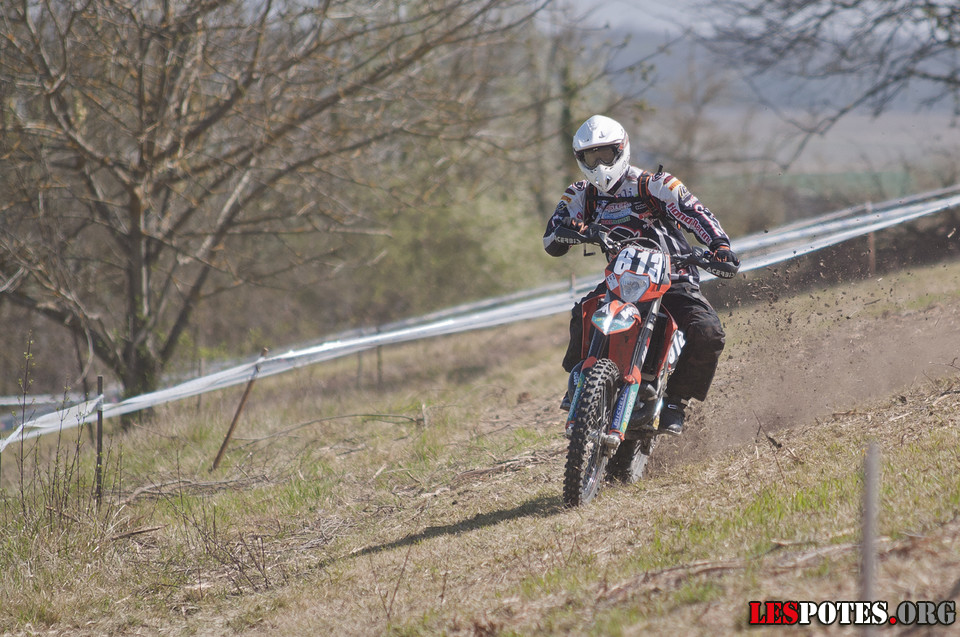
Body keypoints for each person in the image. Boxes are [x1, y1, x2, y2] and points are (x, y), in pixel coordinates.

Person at [543, 114, 739, 436]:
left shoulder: (654, 184)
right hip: (621, 280)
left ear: (622, 150)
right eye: (591, 157)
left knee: (708, 332)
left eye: (605, 154)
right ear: (580, 159)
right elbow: (552, 240)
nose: (599, 165)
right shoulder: (581, 193)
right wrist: (572, 229)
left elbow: (695, 212)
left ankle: (676, 401)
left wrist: (719, 246)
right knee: (584, 311)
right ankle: (580, 380)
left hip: (672, 277)